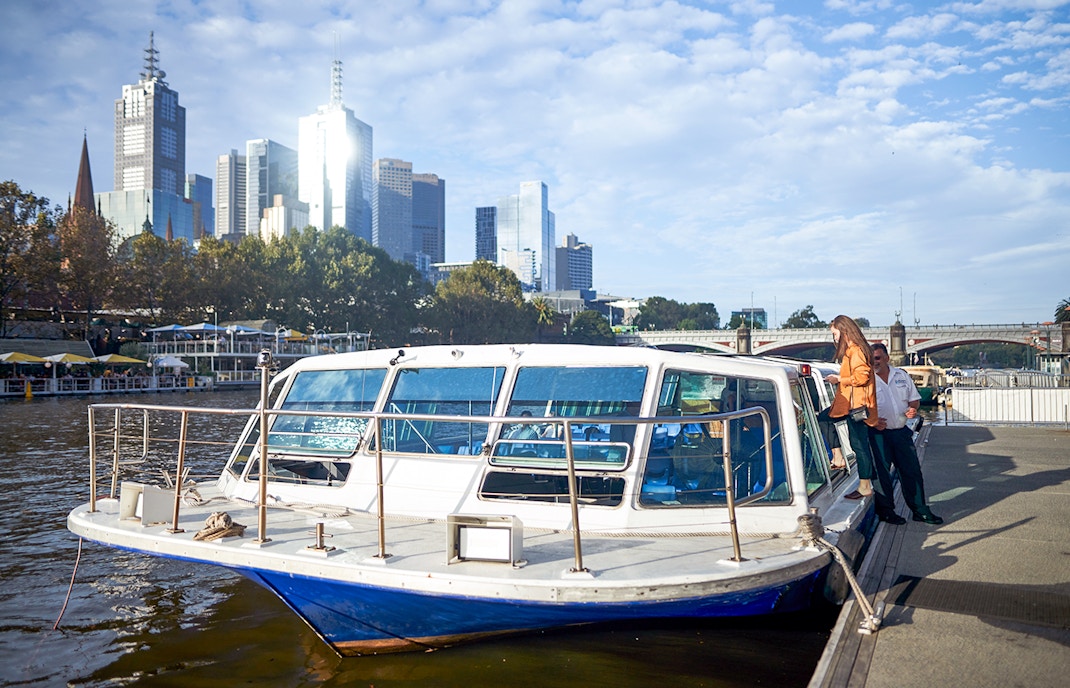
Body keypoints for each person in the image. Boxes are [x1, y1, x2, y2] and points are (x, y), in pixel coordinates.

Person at [826, 315, 905, 524]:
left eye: (835, 334)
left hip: (856, 407)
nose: (834, 338)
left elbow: (862, 377)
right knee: (856, 443)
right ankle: (859, 478)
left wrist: (839, 379)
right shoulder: (856, 350)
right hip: (854, 406)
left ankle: (860, 481)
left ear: (843, 331)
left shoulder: (857, 351)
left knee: (858, 445)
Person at [869, 343, 944, 525]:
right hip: (879, 434)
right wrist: (871, 420)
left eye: (878, 358)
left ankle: (920, 510)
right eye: (871, 359)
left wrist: (912, 409)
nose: (874, 362)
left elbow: (914, 399)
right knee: (882, 476)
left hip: (901, 432)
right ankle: (887, 512)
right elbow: (860, 407)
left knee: (912, 472)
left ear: (887, 358)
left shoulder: (901, 375)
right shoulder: (867, 380)